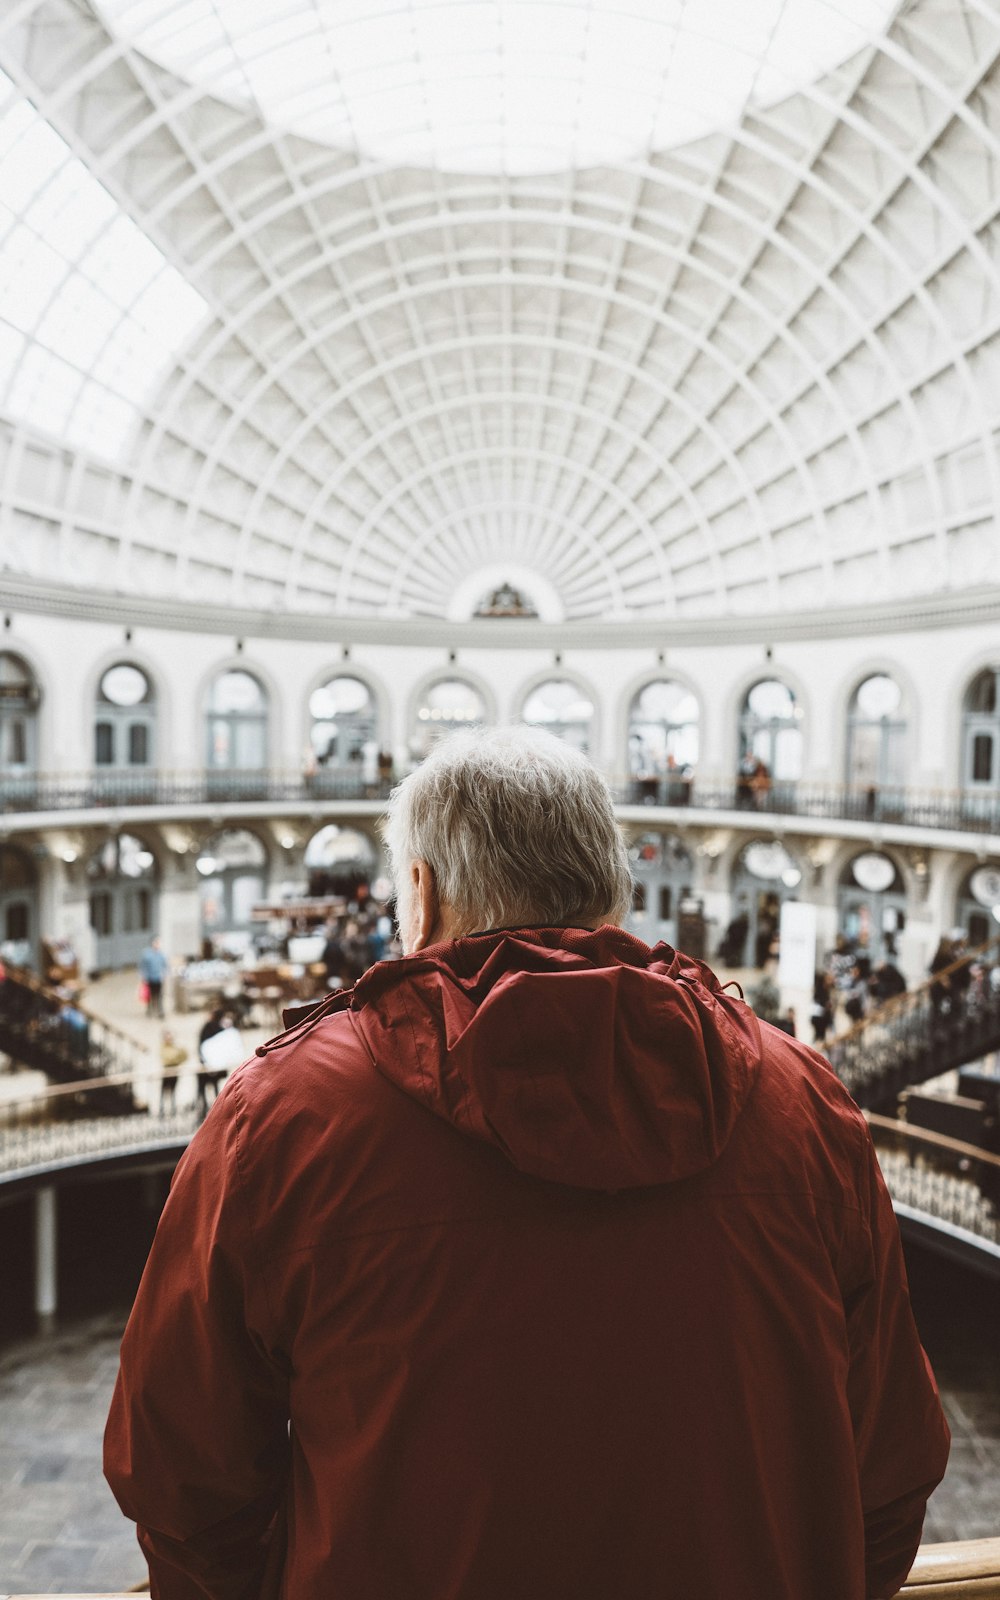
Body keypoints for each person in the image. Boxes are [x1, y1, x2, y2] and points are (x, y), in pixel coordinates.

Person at [104, 726, 949, 1600]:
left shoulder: (278, 1118)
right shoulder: (802, 1102)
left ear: (420, 895)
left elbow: (181, 1482)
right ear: (610, 898)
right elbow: (890, 1468)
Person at [138, 936, 169, 1019]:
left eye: (158, 943)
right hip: (149, 978)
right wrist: (144, 977)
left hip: (158, 978)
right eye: (156, 943)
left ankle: (160, 1011)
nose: (157, 945)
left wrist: (164, 975)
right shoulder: (147, 954)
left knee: (159, 996)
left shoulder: (161, 955)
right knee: (150, 996)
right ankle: (150, 1010)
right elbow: (142, 966)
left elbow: (165, 966)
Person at [159, 1029, 188, 1116]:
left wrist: (178, 1055)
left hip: (175, 1069)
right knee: (164, 1092)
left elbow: (184, 1056)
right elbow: (168, 1058)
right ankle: (162, 1110)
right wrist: (176, 1056)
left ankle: (173, 1110)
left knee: (173, 1091)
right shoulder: (163, 1047)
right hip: (167, 1070)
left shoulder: (175, 1047)